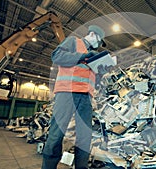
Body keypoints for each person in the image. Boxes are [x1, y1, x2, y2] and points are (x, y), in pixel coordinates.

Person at [42, 25, 106, 169]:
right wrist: (83, 56)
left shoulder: (93, 54)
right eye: (100, 41)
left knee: (84, 138)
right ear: (93, 34)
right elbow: (57, 56)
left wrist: (101, 69)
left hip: (86, 98)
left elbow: (91, 78)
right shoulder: (73, 42)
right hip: (67, 93)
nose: (99, 45)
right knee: (56, 134)